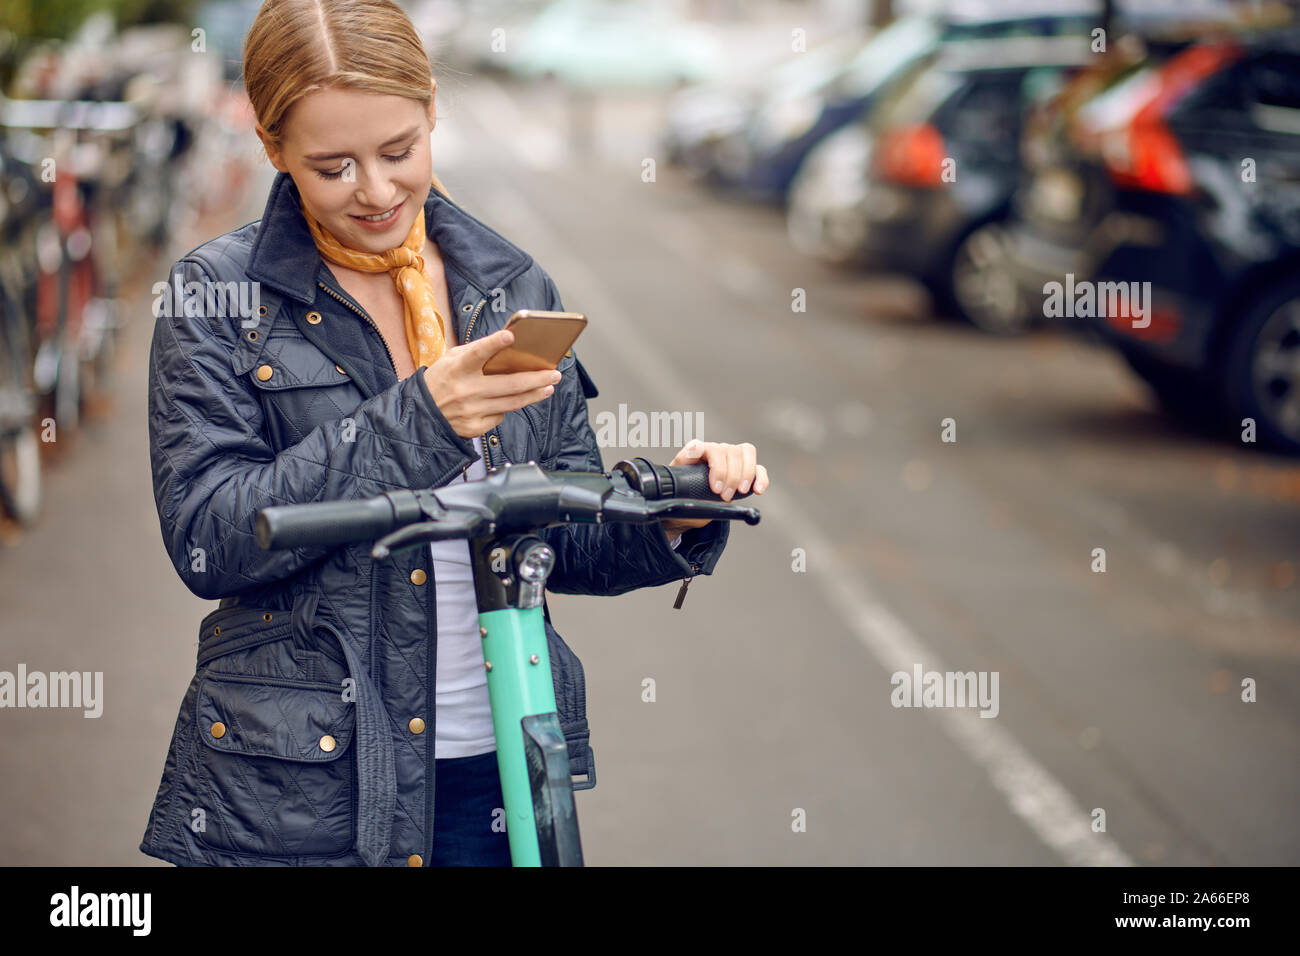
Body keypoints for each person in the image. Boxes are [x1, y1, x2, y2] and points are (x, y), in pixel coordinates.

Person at [140, 0, 769, 867]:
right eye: (333, 167)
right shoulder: (216, 297)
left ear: (433, 108)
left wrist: (670, 515)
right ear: (271, 146)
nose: (376, 189)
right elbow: (209, 538)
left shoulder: (506, 282)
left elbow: (561, 541)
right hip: (302, 788)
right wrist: (418, 419)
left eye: (399, 151)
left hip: (501, 767)